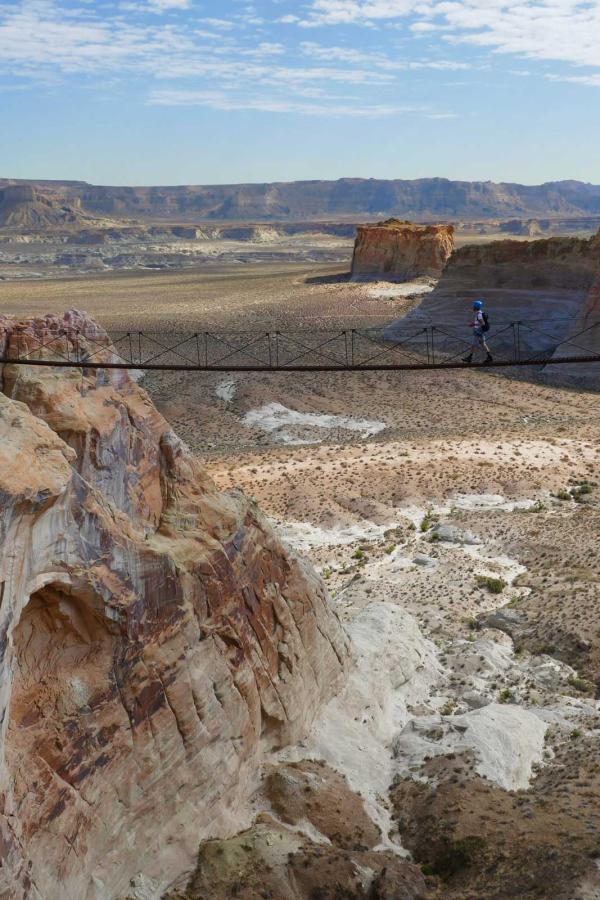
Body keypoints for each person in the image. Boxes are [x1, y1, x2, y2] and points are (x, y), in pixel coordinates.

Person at [462, 299, 493, 364]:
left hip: (478, 331)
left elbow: (482, 323)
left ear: (475, 307)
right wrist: (474, 323)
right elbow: (478, 321)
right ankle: (489, 357)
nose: (472, 307)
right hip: (478, 330)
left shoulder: (479, 314)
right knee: (481, 344)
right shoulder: (479, 313)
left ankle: (470, 358)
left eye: (473, 306)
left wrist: (473, 324)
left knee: (475, 344)